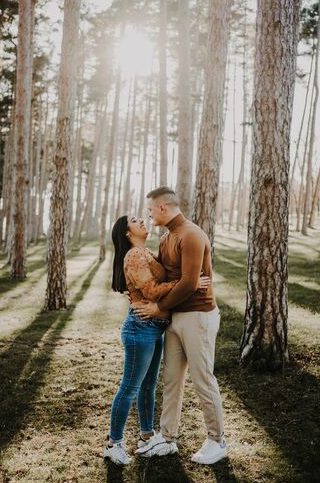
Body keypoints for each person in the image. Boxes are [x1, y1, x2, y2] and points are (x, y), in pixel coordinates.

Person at [103, 214, 210, 465]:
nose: (142, 220)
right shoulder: (135, 255)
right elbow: (151, 291)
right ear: (127, 233)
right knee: (130, 387)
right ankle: (113, 443)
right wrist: (188, 284)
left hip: (154, 327)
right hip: (140, 328)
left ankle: (146, 436)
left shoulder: (144, 252)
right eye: (135, 220)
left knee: (148, 386)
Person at [133, 186, 227, 465]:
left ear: (163, 208)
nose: (149, 216)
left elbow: (189, 283)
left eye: (151, 210)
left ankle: (217, 440)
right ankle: (167, 437)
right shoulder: (166, 238)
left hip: (198, 316)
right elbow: (163, 276)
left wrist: (159, 307)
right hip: (174, 319)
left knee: (203, 379)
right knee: (172, 380)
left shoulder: (192, 235)